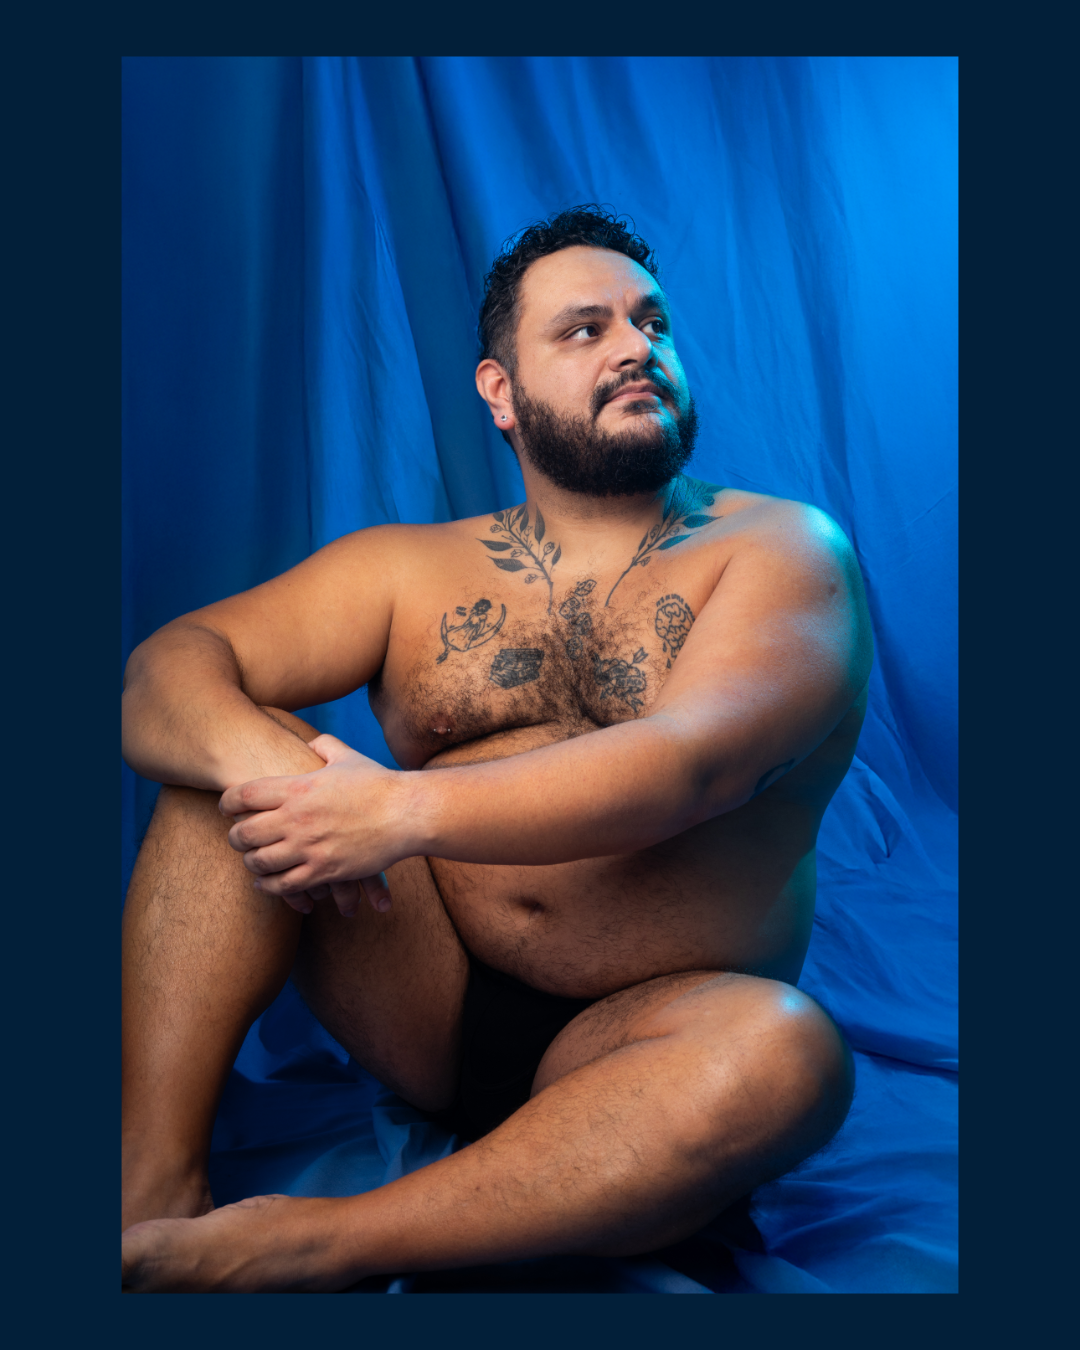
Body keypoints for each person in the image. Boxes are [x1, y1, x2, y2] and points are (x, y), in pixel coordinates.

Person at [121, 205, 872, 1292]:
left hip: (647, 1040)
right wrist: (276, 775)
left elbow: (694, 765)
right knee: (235, 774)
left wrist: (393, 813)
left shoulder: (783, 548)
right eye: (585, 329)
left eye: (652, 323)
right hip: (421, 999)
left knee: (789, 1051)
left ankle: (309, 1244)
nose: (635, 348)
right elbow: (163, 672)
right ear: (500, 390)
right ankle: (149, 1198)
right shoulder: (406, 569)